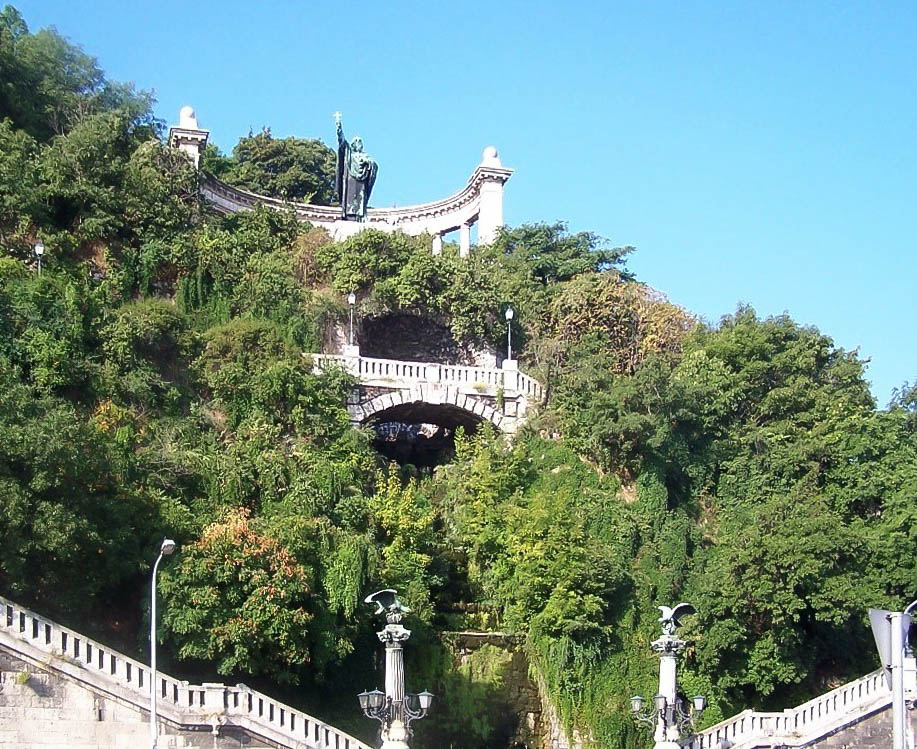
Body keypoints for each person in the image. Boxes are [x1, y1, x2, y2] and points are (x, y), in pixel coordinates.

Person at [334, 112, 378, 220]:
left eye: (360, 142)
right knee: (349, 198)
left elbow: (374, 165)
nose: (358, 143)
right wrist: (339, 126)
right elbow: (342, 141)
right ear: (353, 144)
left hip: (361, 182)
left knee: (360, 197)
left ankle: (360, 215)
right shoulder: (349, 153)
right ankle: (349, 215)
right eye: (356, 141)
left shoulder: (365, 156)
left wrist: (369, 163)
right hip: (350, 179)